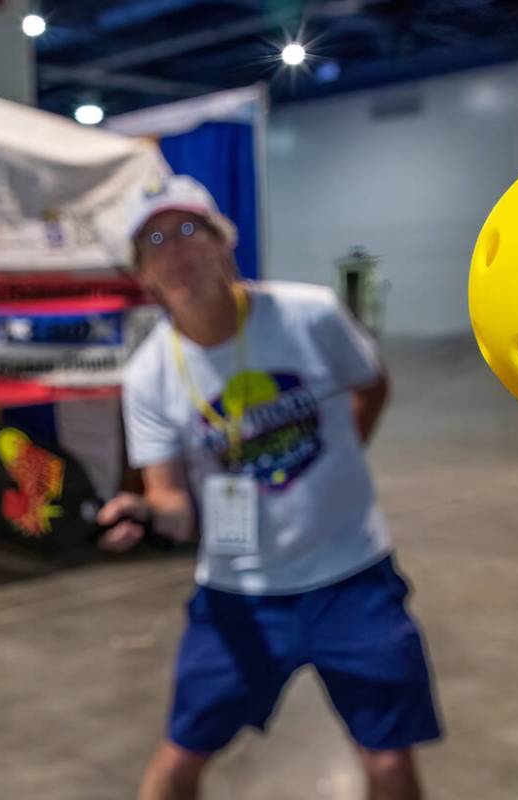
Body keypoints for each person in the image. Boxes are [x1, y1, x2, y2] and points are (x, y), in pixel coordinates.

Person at [98, 176, 441, 800]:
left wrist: (342, 459)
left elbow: (372, 382)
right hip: (238, 594)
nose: (174, 248)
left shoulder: (308, 314)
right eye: (154, 239)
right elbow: (173, 501)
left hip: (353, 577)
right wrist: (146, 514)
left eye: (188, 230)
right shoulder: (148, 375)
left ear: (225, 245)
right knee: (180, 757)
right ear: (143, 276)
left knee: (389, 759)